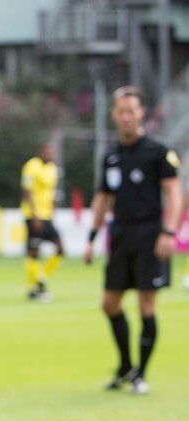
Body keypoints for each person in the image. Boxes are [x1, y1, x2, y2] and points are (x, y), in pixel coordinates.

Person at [84, 86, 182, 395]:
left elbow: (174, 194)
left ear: (141, 113)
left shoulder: (158, 151)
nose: (126, 117)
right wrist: (92, 236)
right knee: (109, 303)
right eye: (121, 111)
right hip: (121, 234)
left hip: (150, 234)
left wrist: (169, 232)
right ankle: (126, 366)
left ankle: (142, 373)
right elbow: (102, 198)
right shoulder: (111, 155)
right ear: (114, 114)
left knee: (146, 304)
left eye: (132, 111)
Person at [20, 143, 63, 302]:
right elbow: (26, 191)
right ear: (41, 152)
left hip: (47, 215)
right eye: (48, 152)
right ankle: (34, 288)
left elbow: (53, 190)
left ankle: (41, 277)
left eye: (52, 152)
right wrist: (34, 215)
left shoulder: (53, 168)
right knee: (33, 251)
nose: (51, 155)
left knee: (60, 248)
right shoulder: (31, 167)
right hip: (34, 216)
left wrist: (53, 204)